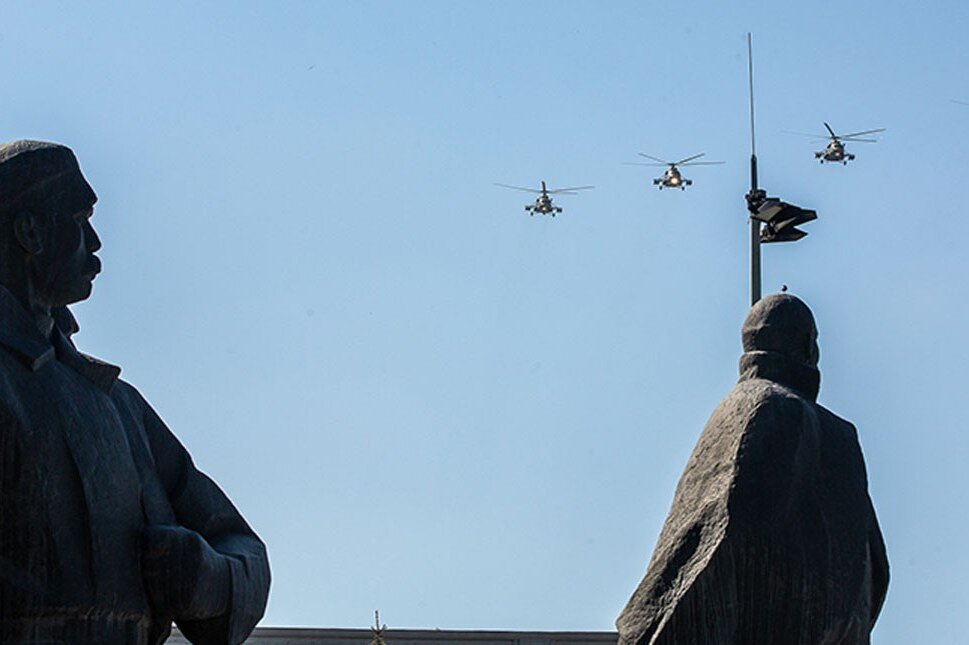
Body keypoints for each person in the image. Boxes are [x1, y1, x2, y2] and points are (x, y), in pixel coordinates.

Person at [0, 140, 269, 644]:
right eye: (80, 219)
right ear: (29, 232)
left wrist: (206, 579)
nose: (95, 242)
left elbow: (239, 544)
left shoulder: (117, 406)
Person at [616, 293, 888, 645]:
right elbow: (875, 566)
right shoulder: (840, 435)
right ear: (809, 347)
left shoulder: (750, 406)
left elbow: (704, 532)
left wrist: (644, 622)